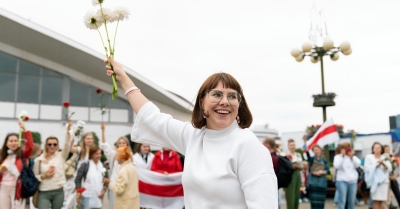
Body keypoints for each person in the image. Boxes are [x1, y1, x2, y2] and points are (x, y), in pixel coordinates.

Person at [104, 57, 277, 208]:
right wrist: (123, 78)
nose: (225, 101)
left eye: (232, 96)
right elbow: (153, 119)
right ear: (202, 101)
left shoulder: (247, 145)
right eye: (216, 94)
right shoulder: (194, 137)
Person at [33, 121, 72, 209]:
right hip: (43, 191)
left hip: (58, 191)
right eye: (49, 144)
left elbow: (67, 145)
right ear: (46, 145)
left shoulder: (61, 156)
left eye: (55, 144)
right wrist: (44, 176)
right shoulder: (39, 160)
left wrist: (68, 132)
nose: (52, 146)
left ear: (57, 146)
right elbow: (35, 176)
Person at [99, 122, 134, 209]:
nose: (121, 144)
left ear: (127, 145)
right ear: (117, 145)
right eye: (120, 143)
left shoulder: (131, 157)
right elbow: (105, 145)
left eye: (123, 143)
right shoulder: (113, 155)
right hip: (114, 187)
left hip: (126, 188)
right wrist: (103, 131)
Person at [0, 120, 33, 209]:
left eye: (15, 141)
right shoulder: (2, 156)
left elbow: (30, 146)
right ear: (6, 143)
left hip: (17, 188)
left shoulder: (22, 154)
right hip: (3, 188)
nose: (13, 143)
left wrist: (24, 129)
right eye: (11, 141)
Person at [334, 142, 361, 209]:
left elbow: (357, 165)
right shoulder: (338, 157)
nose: (346, 150)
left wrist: (351, 157)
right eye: (344, 148)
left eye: (348, 148)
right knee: (342, 201)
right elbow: (337, 166)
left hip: (352, 181)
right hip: (341, 180)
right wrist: (343, 156)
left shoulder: (353, 157)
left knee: (351, 202)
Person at [364, 142, 391, 209]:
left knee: (382, 201)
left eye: (378, 148)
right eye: (375, 148)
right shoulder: (369, 157)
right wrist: (376, 165)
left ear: (381, 149)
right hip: (375, 182)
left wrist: (383, 164)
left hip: (384, 182)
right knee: (375, 200)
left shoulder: (384, 157)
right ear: (372, 149)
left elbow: (389, 169)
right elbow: (366, 168)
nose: (376, 149)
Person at [305, 144, 330, 209]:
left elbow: (328, 170)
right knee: (314, 203)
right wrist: (305, 142)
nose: (317, 151)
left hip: (322, 184)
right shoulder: (311, 159)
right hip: (313, 184)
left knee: (321, 203)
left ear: (320, 150)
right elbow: (307, 154)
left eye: (318, 149)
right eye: (315, 150)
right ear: (313, 151)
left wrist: (322, 172)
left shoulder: (324, 160)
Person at [284, 139, 303, 209]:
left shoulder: (298, 155)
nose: (292, 146)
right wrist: (293, 166)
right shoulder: (286, 155)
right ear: (288, 146)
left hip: (298, 175)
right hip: (290, 176)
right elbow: (285, 167)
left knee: (296, 195)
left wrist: (299, 166)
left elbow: (302, 167)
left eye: (294, 145)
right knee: (290, 196)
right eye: (291, 145)